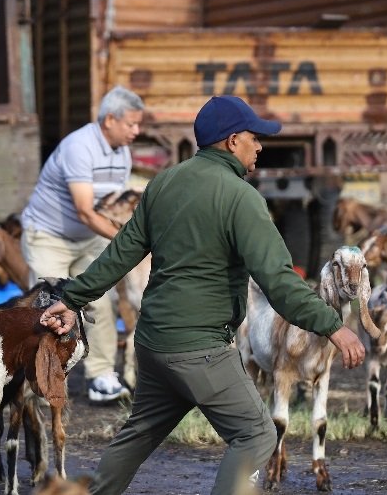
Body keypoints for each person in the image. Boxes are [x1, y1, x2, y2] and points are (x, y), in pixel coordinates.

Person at [39, 95, 366, 495]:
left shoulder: (163, 182)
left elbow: (121, 252)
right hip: (198, 349)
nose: (260, 146)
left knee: (138, 433)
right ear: (231, 141)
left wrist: (72, 299)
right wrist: (335, 326)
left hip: (155, 343)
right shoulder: (242, 199)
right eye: (254, 137)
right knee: (257, 434)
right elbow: (280, 283)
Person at [21, 85, 145, 403]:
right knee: (46, 305)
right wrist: (128, 240)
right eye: (131, 124)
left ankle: (101, 377)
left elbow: (111, 206)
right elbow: (86, 211)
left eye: (138, 124)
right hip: (49, 237)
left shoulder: (122, 153)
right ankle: (36, 377)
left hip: (88, 238)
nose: (137, 131)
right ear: (109, 121)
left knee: (101, 302)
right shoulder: (80, 147)